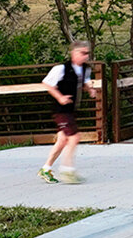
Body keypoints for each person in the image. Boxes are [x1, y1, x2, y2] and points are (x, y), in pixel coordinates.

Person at [39, 40, 94, 184]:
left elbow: (84, 82)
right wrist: (60, 97)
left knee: (62, 140)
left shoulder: (85, 69)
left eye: (87, 53)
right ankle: (67, 170)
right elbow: (47, 84)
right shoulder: (61, 69)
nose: (86, 56)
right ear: (74, 53)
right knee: (74, 138)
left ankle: (46, 168)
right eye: (83, 53)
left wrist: (90, 89)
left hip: (71, 110)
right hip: (61, 110)